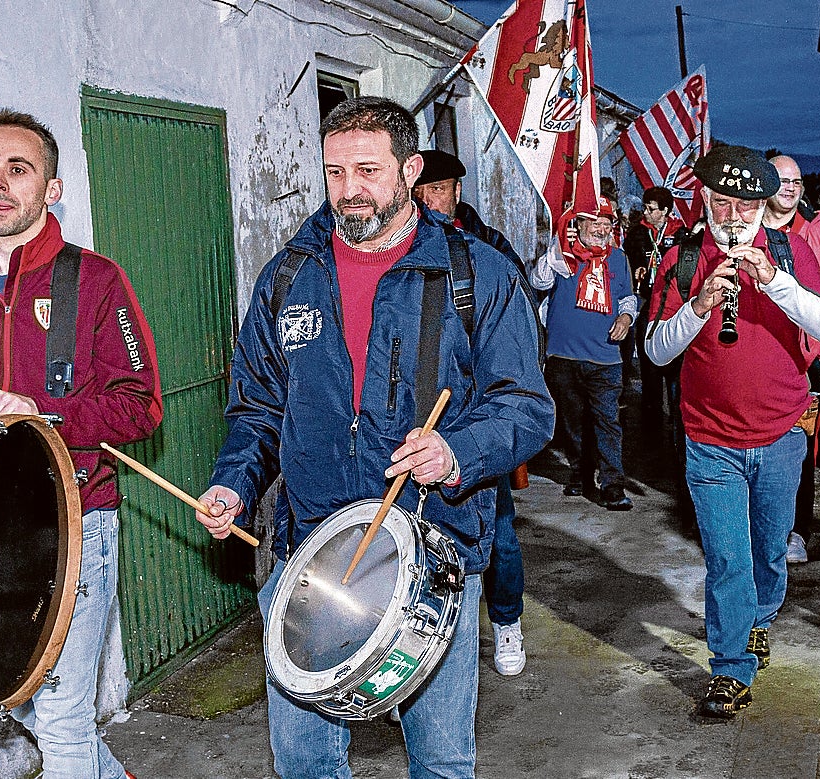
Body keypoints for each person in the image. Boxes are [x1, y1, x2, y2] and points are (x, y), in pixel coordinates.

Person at [191, 96, 551, 778]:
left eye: (368, 169)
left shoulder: (476, 275)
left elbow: (527, 408)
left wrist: (456, 452)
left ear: (410, 170)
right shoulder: (288, 277)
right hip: (311, 555)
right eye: (334, 172)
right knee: (303, 763)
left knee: (441, 761)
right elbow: (259, 408)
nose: (349, 190)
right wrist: (233, 483)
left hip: (433, 553)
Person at [0, 108, 161, 779]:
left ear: (52, 189)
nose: (0, 182)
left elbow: (141, 406)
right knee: (28, 703)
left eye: (19, 169)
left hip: (77, 523)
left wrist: (44, 412)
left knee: (66, 720)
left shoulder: (98, 282)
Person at [644, 144, 820, 718]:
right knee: (728, 558)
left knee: (769, 552)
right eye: (721, 204)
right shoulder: (682, 256)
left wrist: (775, 280)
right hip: (710, 441)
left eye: (745, 208)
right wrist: (701, 304)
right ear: (703, 199)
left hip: (781, 434)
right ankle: (730, 666)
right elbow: (657, 351)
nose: (733, 218)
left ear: (762, 207)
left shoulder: (792, 248)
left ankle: (759, 617)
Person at [412, 147, 534, 676]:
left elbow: (519, 339)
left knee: (499, 536)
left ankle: (507, 621)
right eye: (423, 191)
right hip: (415, 427)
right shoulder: (404, 251)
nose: (430, 200)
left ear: (457, 192)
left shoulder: (487, 251)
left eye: (439, 190)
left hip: (478, 425)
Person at [765, 155, 820, 565]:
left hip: (804, 365)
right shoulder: (748, 231)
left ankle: (796, 529)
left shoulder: (816, 237)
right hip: (758, 363)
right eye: (782, 180)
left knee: (802, 446)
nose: (790, 188)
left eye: (797, 182)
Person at [533, 197, 638, 510]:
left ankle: (613, 485)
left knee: (608, 422)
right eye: (595, 222)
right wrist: (555, 250)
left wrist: (626, 317)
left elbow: (628, 298)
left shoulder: (618, 258)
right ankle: (580, 472)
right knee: (573, 422)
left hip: (605, 358)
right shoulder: (562, 256)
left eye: (607, 223)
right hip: (563, 355)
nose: (602, 229)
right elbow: (539, 281)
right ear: (577, 224)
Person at [623, 186, 689, 427]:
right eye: (645, 208)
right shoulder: (637, 233)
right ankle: (650, 418)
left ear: (665, 211)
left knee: (675, 364)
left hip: (674, 305)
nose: (646, 213)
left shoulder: (681, 235)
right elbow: (628, 262)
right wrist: (637, 269)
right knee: (649, 359)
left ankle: (677, 417)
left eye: (651, 209)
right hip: (648, 301)